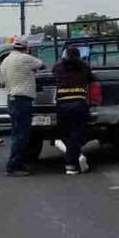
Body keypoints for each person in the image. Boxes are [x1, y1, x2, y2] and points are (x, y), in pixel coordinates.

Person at [0, 36, 45, 177]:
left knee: (16, 133)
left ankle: (19, 163)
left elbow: (2, 82)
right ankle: (12, 167)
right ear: (26, 48)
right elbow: (42, 65)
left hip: (11, 99)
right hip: (22, 100)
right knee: (22, 135)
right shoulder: (25, 58)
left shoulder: (5, 61)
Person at [53, 46, 93, 175]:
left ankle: (73, 157)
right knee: (76, 133)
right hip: (79, 103)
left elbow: (53, 74)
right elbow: (91, 78)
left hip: (62, 103)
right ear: (79, 55)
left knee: (65, 133)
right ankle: (72, 163)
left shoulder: (58, 66)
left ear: (66, 54)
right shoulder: (84, 66)